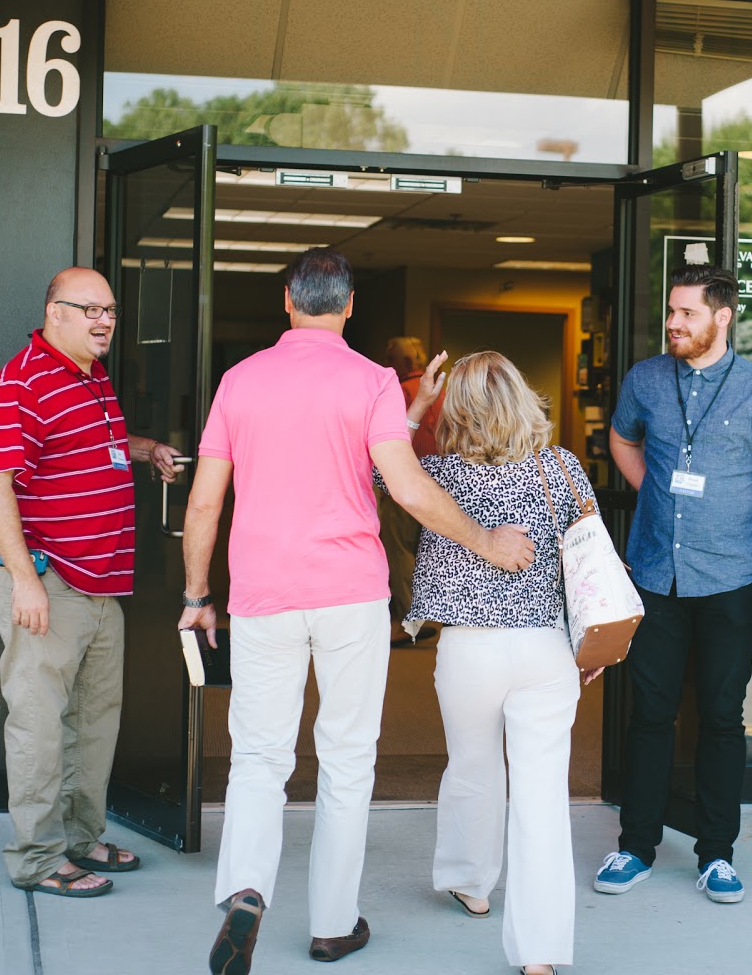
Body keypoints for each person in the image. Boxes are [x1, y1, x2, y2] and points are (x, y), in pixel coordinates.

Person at [176, 248, 536, 975]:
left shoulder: (240, 381)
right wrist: (486, 540)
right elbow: (403, 484)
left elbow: (206, 501)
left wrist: (196, 595)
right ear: (346, 307)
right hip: (349, 595)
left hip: (263, 594)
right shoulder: (367, 380)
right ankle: (334, 926)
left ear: (287, 301)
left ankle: (246, 889)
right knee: (345, 759)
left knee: (258, 755)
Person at [595, 263, 752, 904]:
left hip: (731, 577)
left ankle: (717, 854)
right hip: (656, 571)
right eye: (671, 311)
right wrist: (654, 493)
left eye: (686, 313)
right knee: (649, 715)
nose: (673, 323)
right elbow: (621, 439)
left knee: (721, 717)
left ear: (722, 317)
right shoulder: (646, 379)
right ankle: (636, 848)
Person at [384, 350, 598, 975]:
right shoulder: (563, 471)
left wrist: (414, 407)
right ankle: (540, 953)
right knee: (543, 798)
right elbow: (588, 560)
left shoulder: (436, 473)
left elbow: (373, 474)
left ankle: (471, 882)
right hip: (547, 648)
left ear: (460, 409)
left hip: (471, 647)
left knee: (474, 767)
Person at [0, 266, 181, 899]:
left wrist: (145, 451)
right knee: (39, 724)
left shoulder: (91, 379)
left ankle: (80, 836)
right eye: (89, 309)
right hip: (49, 582)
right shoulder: (21, 382)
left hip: (100, 585)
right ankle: (38, 859)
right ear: (53, 312)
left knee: (95, 721)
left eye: (111, 312)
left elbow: (100, 444)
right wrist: (24, 581)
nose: (103, 321)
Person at [378, 336, 445, 647]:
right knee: (432, 549)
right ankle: (434, 616)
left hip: (404, 480)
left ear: (403, 363)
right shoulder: (442, 393)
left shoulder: (398, 391)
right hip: (442, 483)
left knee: (400, 551)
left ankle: (411, 622)